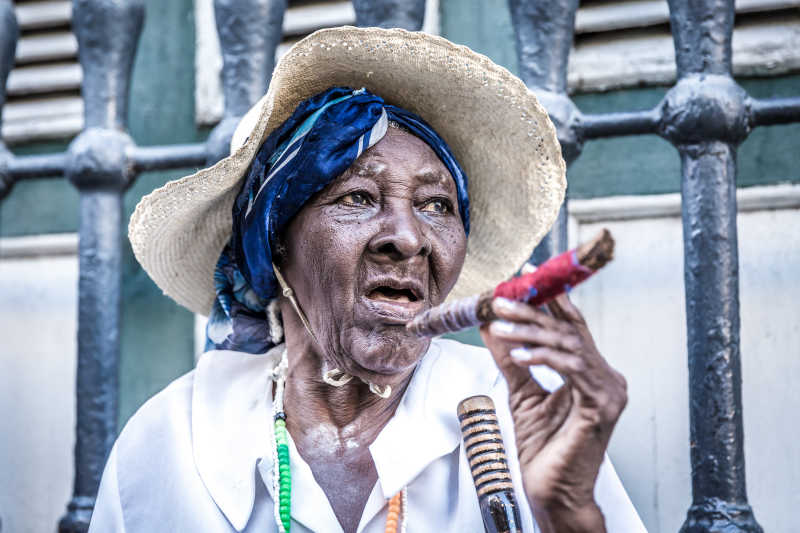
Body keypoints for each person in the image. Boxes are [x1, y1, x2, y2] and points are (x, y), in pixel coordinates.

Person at [90, 27, 646, 532]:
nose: (407, 238)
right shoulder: (169, 442)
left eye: (435, 205)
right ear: (275, 244)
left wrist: (568, 511)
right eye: (358, 197)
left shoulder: (523, 412)